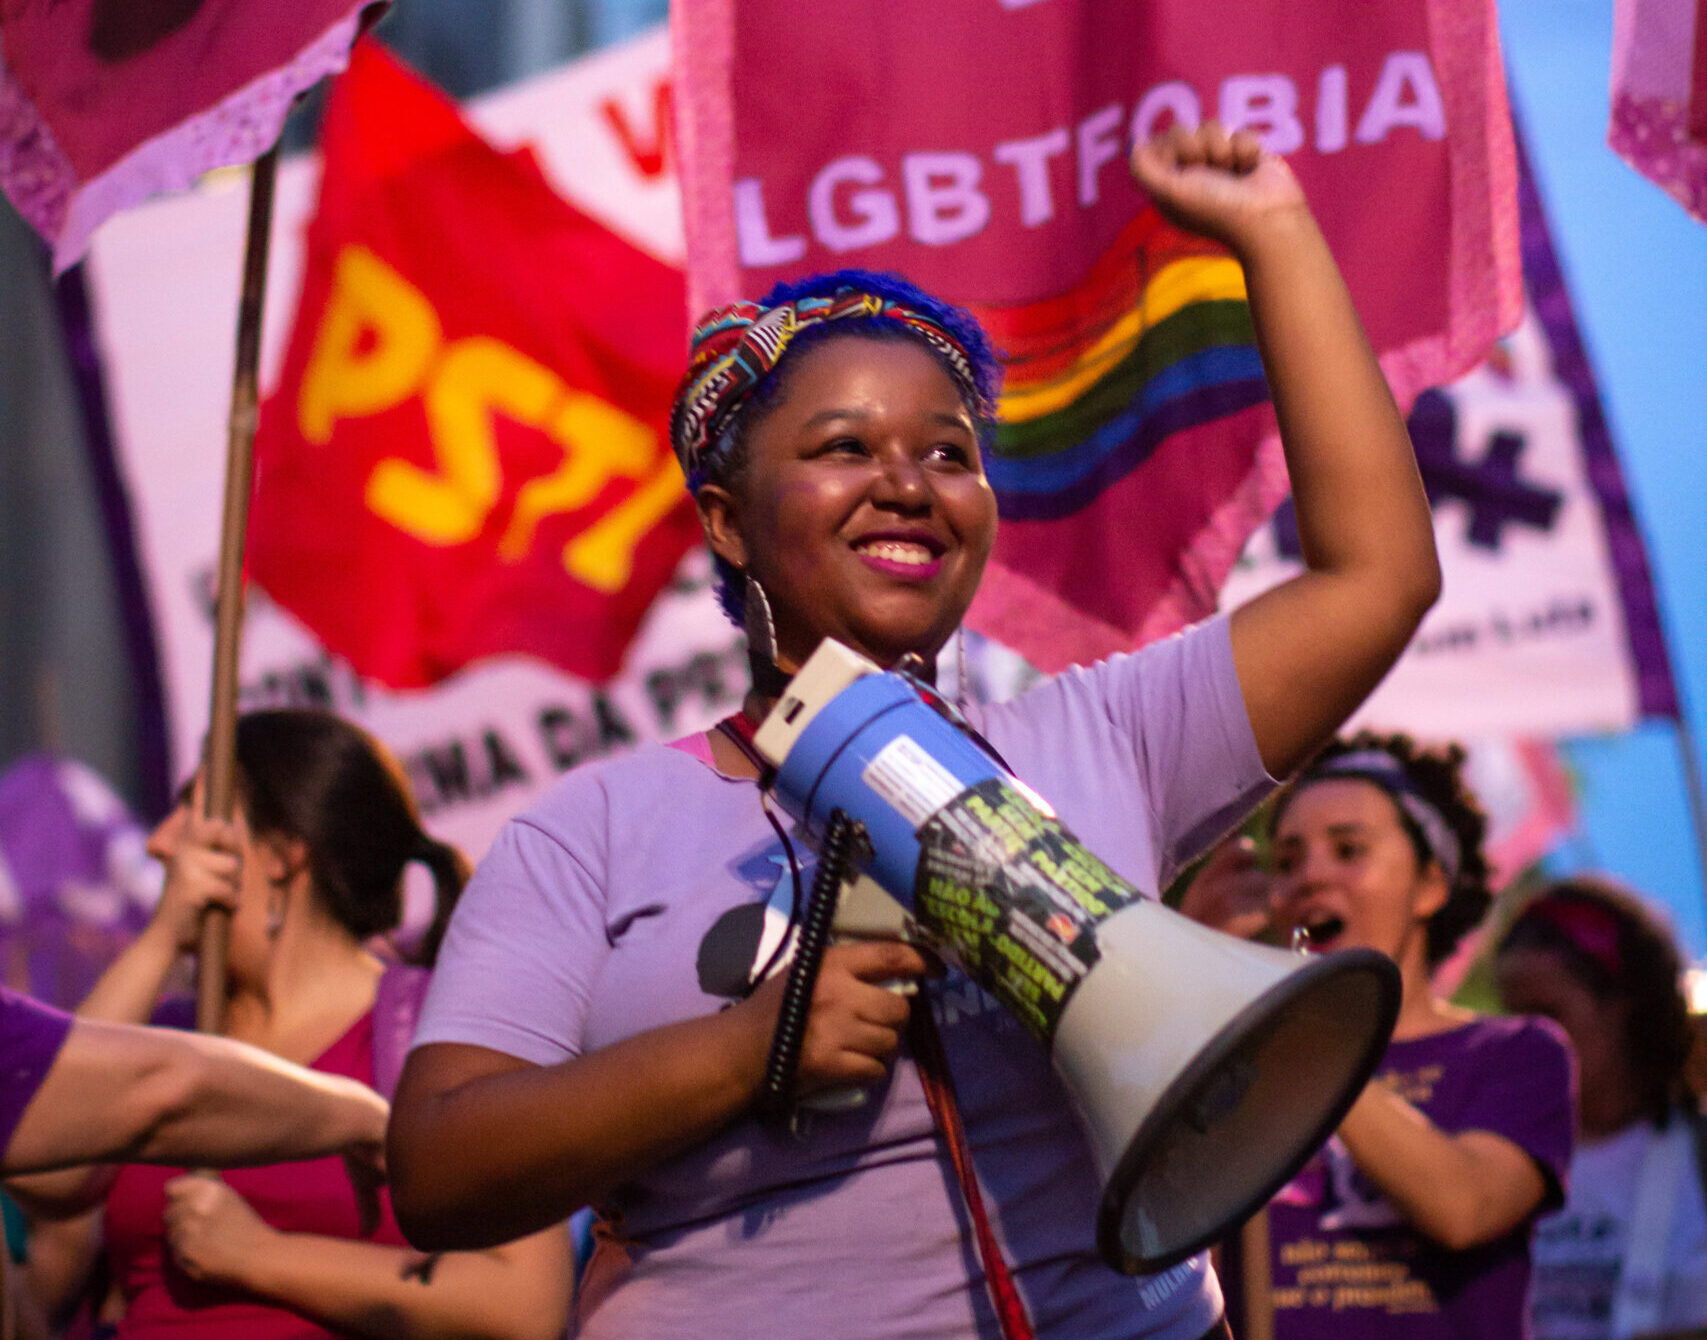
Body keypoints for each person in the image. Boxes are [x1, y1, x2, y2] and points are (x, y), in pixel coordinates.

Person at [388, 123, 1444, 1340]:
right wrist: (749, 1050)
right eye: (843, 448)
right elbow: (439, 1164)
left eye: (950, 451)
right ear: (727, 522)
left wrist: (1274, 232)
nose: (908, 480)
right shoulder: (593, 828)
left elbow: (1376, 577)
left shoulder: (1101, 737)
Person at [9, 710, 569, 1340]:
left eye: (194, 811)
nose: (158, 842)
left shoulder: (443, 1030)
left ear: (281, 855)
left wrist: (259, 1257)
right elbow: (40, 1166)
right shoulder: (165, 1040)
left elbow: (524, 1304)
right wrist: (163, 936)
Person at [1220, 731, 1575, 1340]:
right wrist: (1190, 946)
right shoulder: (1246, 1068)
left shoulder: (1518, 1052)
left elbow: (1464, 1208)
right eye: (1286, 861)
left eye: (1349, 850)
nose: (1309, 877)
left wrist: (1307, 1034)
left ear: (1431, 885)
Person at [1496, 877, 1707, 1340]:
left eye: (1548, 1015)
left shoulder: (1696, 1155)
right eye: (1511, 1019)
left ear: (1624, 1007)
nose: (1526, 1042)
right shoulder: (1491, 1157)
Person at [1, 986, 387, 1177]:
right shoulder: (170, 1018)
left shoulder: (393, 1025)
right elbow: (56, 1184)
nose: (157, 845)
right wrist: (363, 1114)